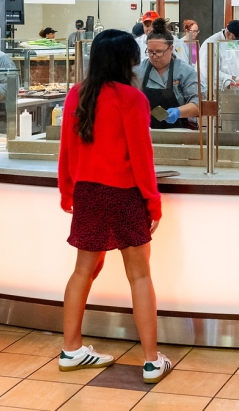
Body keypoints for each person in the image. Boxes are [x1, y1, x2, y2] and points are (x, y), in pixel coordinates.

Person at [57, 29, 171, 383]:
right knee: (139, 276)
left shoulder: (77, 94)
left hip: (88, 193)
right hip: (124, 194)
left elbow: (66, 150)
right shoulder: (132, 98)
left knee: (82, 273)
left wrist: (67, 192)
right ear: (128, 60)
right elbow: (141, 157)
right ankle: (151, 361)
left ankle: (71, 350)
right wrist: (153, 203)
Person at [134, 19, 200, 129]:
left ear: (171, 49)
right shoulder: (139, 70)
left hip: (179, 133)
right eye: (150, 52)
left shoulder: (185, 71)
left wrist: (178, 112)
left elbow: (198, 105)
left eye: (159, 52)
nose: (154, 56)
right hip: (146, 132)